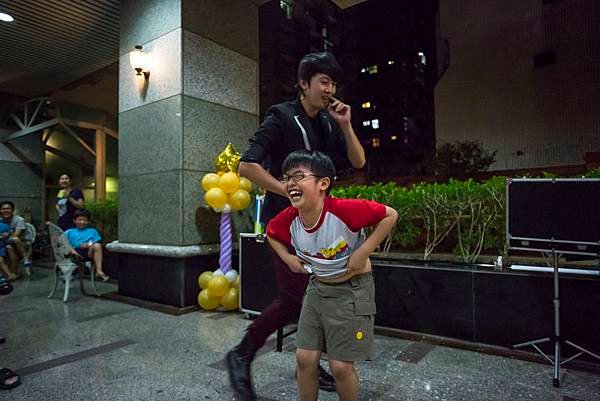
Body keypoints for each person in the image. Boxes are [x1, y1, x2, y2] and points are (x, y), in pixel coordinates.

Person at [226, 52, 366, 401]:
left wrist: (346, 124)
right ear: (304, 84)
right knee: (293, 299)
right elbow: (247, 166)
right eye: (323, 81)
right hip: (286, 225)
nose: (330, 88)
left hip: (319, 225)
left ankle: (309, 359)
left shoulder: (327, 124)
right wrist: (289, 191)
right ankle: (242, 352)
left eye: (333, 83)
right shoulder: (281, 117)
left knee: (314, 297)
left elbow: (358, 161)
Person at [267, 150, 397, 401]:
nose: (290, 183)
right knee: (304, 359)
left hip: (353, 289)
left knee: (340, 367)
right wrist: (289, 259)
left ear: (323, 183)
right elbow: (271, 234)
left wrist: (364, 252)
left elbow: (390, 215)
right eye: (286, 178)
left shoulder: (344, 211)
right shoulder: (290, 218)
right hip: (317, 289)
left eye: (299, 176)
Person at [64, 209, 109, 282]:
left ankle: (99, 271)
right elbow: (60, 241)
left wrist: (88, 245)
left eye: (85, 220)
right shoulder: (70, 231)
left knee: (97, 245)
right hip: (73, 252)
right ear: (74, 221)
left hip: (88, 252)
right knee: (66, 244)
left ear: (88, 221)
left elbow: (96, 242)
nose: (82, 222)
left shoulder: (92, 231)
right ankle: (75, 258)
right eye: (80, 220)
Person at [0, 202, 29, 279]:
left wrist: (7, 235)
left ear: (12, 210)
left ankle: (14, 272)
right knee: (8, 247)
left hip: (21, 243)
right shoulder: (1, 220)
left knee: (10, 247)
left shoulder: (19, 219)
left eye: (8, 208)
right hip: (4, 242)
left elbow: (16, 235)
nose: (6, 210)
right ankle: (7, 273)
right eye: (3, 209)